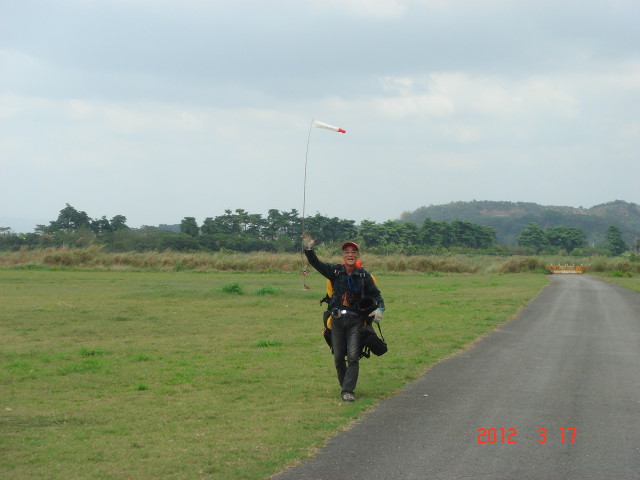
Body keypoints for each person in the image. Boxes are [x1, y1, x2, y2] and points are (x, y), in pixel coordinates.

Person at [301, 232, 385, 402]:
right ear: (343, 255)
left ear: (358, 255)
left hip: (355, 321)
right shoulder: (335, 271)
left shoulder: (364, 276)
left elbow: (377, 295)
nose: (350, 255)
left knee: (353, 356)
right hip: (337, 321)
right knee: (339, 357)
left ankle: (348, 391)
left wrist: (380, 309)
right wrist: (309, 250)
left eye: (353, 252)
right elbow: (316, 264)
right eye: (347, 252)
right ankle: (344, 385)